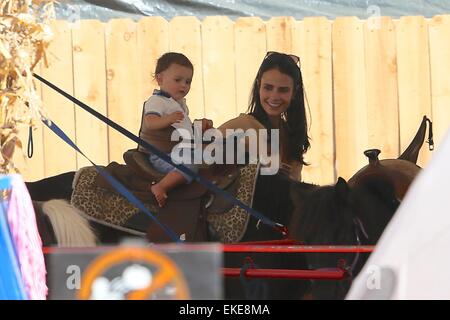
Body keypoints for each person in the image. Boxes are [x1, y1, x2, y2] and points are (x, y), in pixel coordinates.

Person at [218, 51, 310, 181]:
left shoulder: (292, 135)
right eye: (268, 87)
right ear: (258, 85)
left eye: (283, 90)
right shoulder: (239, 127)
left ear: (295, 91)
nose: (274, 97)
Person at [138, 52, 213, 207]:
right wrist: (167, 119)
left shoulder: (178, 104)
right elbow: (150, 121)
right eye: (178, 80)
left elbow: (183, 132)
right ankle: (161, 186)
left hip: (177, 150)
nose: (183, 85)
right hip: (161, 154)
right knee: (190, 165)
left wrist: (200, 126)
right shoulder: (157, 101)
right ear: (160, 79)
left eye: (188, 81)